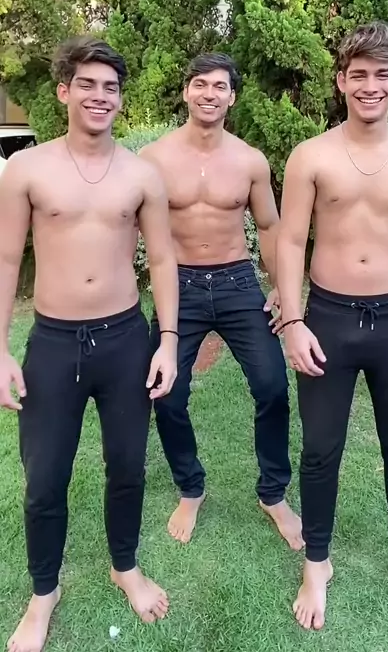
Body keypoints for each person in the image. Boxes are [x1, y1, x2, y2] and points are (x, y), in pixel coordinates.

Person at [0, 36, 179, 652]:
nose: (100, 96)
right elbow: (5, 258)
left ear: (120, 99)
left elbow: (163, 259)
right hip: (53, 344)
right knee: (44, 477)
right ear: (64, 91)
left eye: (110, 87)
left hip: (125, 340)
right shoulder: (27, 169)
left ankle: (124, 565)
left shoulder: (142, 174)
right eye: (87, 84)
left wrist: (168, 341)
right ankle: (43, 593)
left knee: (127, 466)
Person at [276, 21, 388, 632]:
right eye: (358, 74)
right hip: (327, 318)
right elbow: (290, 240)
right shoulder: (310, 156)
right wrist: (292, 322)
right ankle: (317, 562)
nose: (370, 85)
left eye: (382, 74)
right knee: (320, 449)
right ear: (341, 81)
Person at [139, 52, 303, 550]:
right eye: (200, 84)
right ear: (186, 92)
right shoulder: (153, 159)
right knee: (166, 393)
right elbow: (134, 230)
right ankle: (191, 488)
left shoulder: (250, 160)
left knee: (272, 387)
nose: (209, 93)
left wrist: (282, 286)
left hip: (237, 283)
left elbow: (270, 226)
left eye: (219, 86)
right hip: (179, 286)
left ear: (232, 97)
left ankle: (273, 493)